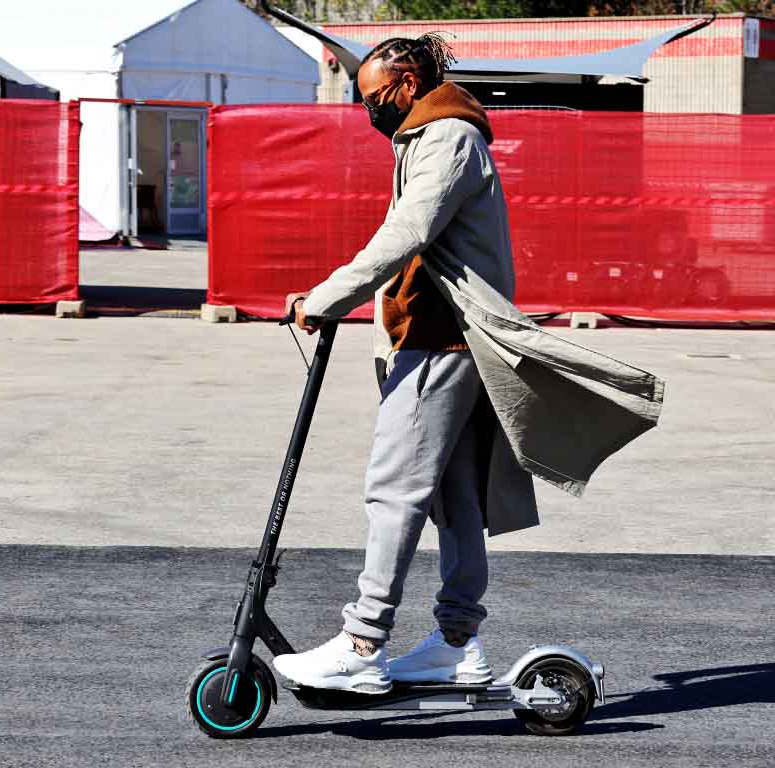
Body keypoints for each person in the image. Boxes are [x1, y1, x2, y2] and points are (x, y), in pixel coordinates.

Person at [271, 33, 665, 695]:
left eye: (374, 98)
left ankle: (363, 642)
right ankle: (456, 645)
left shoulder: (449, 137)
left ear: (408, 83)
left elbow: (407, 234)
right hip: (434, 337)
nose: (368, 111)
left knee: (393, 491)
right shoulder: (426, 139)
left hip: (439, 341)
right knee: (455, 500)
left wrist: (327, 298)